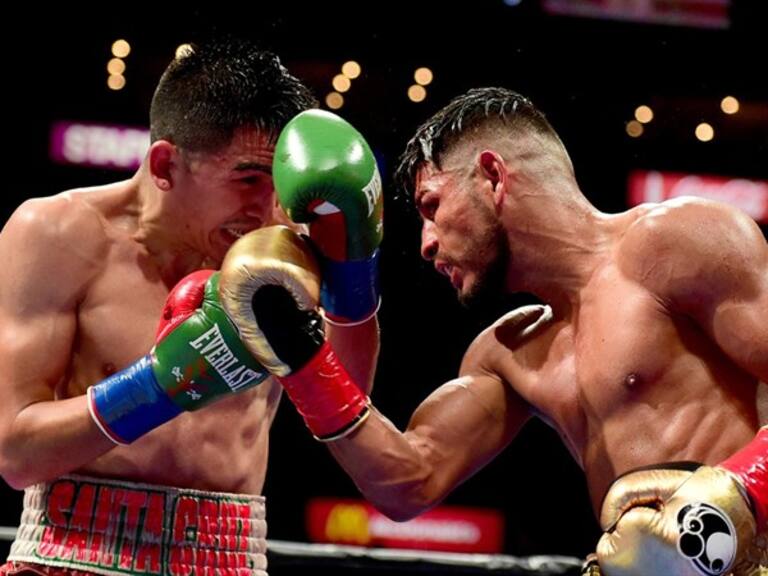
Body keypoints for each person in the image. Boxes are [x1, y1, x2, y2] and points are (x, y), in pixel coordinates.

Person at [234, 87, 766, 575]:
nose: (426, 243)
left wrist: (736, 495)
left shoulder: (675, 242)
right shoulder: (508, 352)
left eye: (432, 208)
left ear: (493, 176)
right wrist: (305, 358)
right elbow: (407, 481)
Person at [0, 37, 381, 576]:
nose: (267, 208)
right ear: (163, 164)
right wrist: (159, 387)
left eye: (278, 184)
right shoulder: (59, 235)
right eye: (247, 178)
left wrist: (354, 272)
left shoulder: (282, 246)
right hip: (71, 553)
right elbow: (15, 452)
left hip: (228, 558)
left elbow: (350, 399)